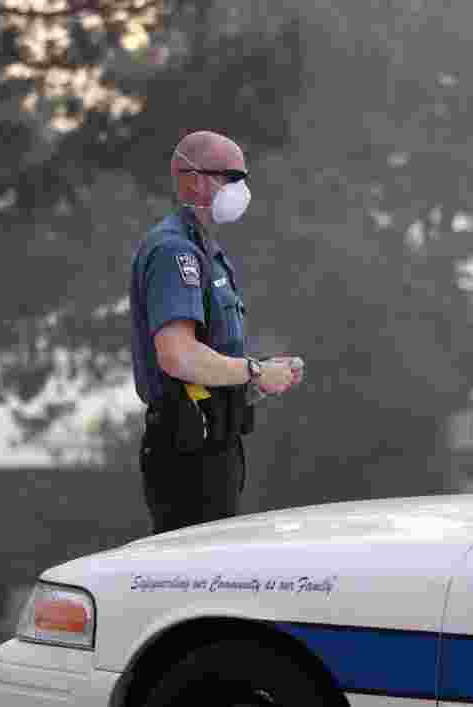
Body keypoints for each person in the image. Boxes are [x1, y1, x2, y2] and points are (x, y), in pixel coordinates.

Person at [129, 130, 302, 534]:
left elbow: (211, 359)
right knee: (190, 580)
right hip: (186, 450)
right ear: (193, 180)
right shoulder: (174, 251)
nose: (240, 189)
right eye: (230, 177)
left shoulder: (210, 252)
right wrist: (255, 371)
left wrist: (259, 380)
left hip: (216, 442)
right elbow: (178, 355)